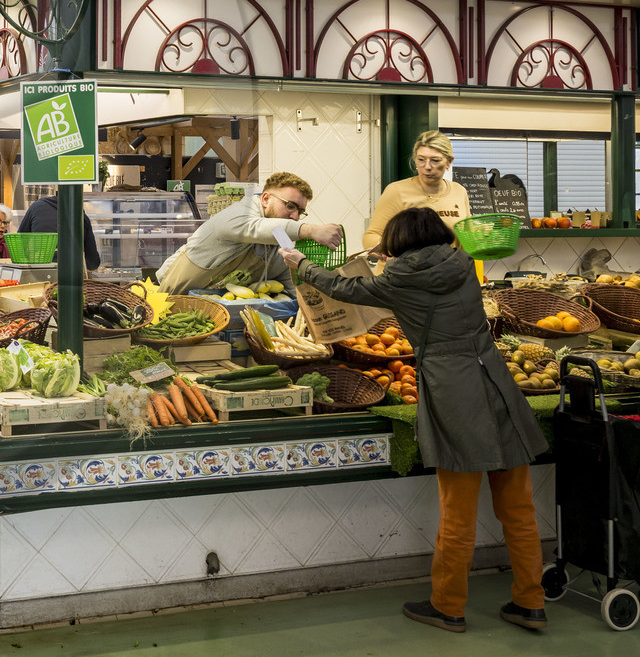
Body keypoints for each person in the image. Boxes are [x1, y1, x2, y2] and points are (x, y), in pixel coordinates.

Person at [283, 208, 547, 634]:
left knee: (457, 510)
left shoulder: (400, 277)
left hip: (454, 390)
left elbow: (346, 287)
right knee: (518, 507)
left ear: (398, 241)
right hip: (496, 380)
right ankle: (531, 603)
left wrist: (302, 265)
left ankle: (448, 606)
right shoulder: (460, 261)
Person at [156, 172, 343, 295]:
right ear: (266, 199)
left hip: (216, 314)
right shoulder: (238, 213)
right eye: (290, 206)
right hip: (170, 296)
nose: (295, 216)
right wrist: (311, 230)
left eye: (300, 211)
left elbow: (286, 275)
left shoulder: (279, 234)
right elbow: (254, 228)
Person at [364, 130, 471, 253]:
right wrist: (386, 248)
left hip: (445, 270)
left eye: (435, 160)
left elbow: (467, 238)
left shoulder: (459, 191)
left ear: (449, 162)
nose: (427, 167)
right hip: (403, 271)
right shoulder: (396, 191)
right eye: (421, 160)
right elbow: (371, 236)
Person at [17, 193, 102, 271]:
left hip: (38, 272)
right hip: (72, 276)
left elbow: (19, 240)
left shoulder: (35, 207)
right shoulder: (81, 216)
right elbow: (93, 263)